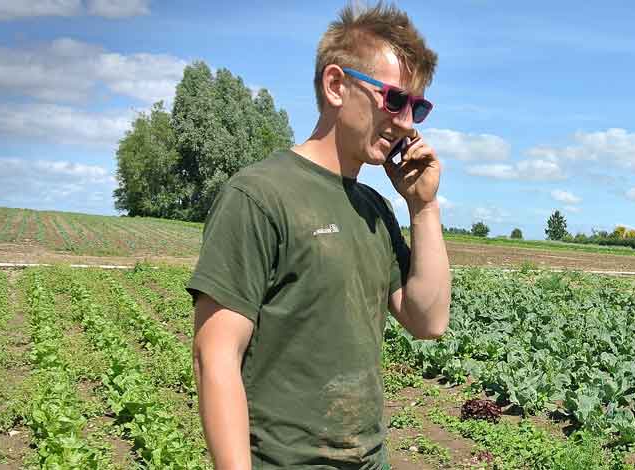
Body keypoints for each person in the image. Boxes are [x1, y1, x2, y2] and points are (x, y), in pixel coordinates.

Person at [187, 3, 450, 469]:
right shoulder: (259, 196)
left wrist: (423, 207)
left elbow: (427, 321)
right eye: (394, 99)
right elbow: (216, 357)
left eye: (417, 107)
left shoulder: (374, 209)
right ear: (336, 85)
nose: (407, 122)